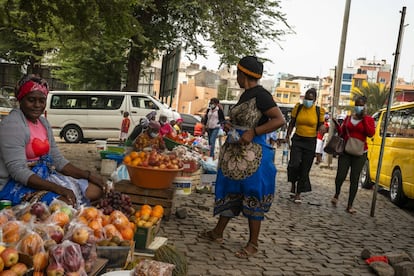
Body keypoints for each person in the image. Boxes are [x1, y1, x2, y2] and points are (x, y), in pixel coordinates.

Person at [198, 56, 286, 259]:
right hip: (236, 155)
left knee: (251, 195)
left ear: (242, 74)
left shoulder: (261, 95)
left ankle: (253, 243)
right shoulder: (246, 95)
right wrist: (230, 125)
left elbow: (278, 120)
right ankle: (217, 232)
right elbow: (244, 120)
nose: (235, 77)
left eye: (237, 73)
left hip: (253, 156)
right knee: (232, 192)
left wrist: (254, 132)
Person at [0, 75, 106, 207]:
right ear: (21, 99)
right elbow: (18, 171)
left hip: (45, 176)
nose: (37, 105)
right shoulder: (12, 125)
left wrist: (88, 176)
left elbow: (57, 159)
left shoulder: (43, 123)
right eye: (31, 100)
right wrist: (58, 188)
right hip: (17, 184)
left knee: (96, 190)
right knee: (65, 204)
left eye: (42, 101)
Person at [331, 96, 375, 214]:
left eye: (361, 105)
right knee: (340, 175)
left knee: (354, 179)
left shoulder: (369, 119)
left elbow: (370, 133)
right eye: (357, 104)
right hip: (346, 151)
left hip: (360, 153)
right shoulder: (348, 118)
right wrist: (337, 125)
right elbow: (342, 133)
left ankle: (350, 205)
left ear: (365, 106)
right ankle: (337, 193)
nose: (358, 107)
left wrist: (364, 118)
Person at [285, 88, 326, 203]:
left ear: (315, 100)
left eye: (310, 99)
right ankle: (293, 183)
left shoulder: (318, 111)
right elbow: (292, 123)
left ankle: (298, 193)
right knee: (294, 164)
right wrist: (287, 135)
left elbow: (321, 126)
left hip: (310, 141)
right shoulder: (298, 108)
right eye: (306, 98)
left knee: (305, 168)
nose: (307, 101)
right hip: (298, 139)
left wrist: (323, 129)